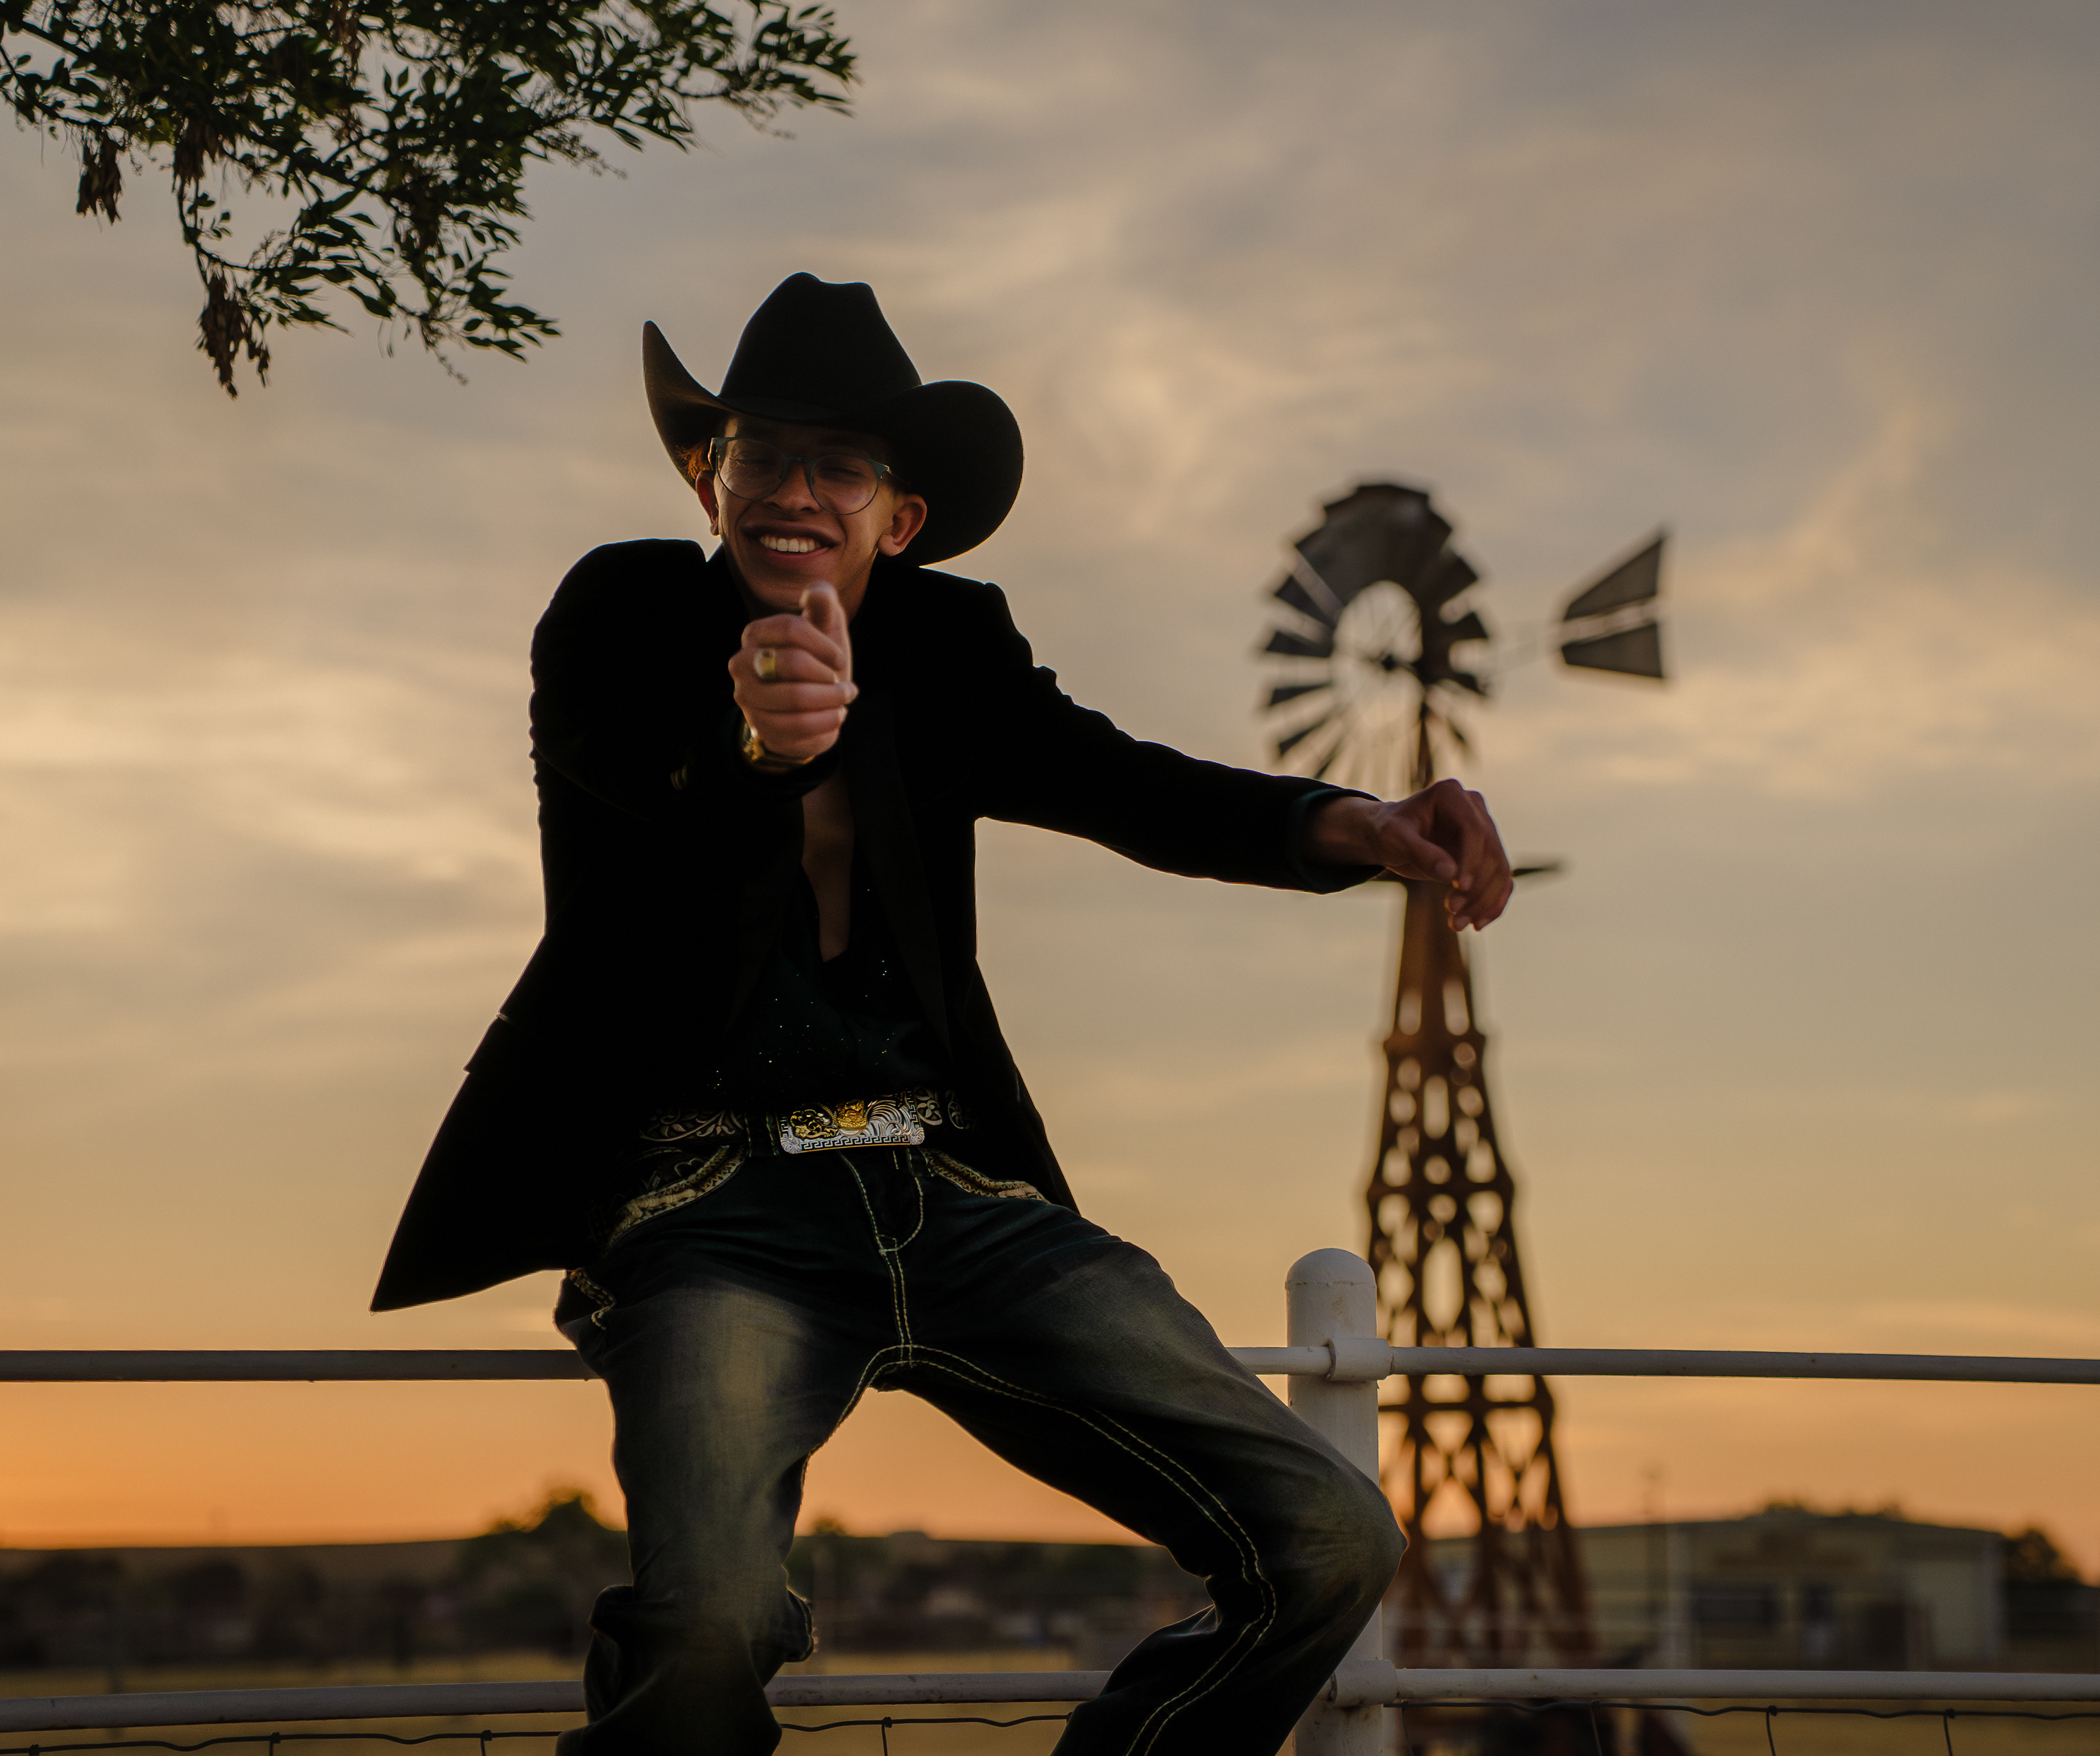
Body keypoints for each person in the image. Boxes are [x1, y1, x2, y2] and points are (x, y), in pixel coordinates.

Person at [371, 273, 1514, 1756]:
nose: (793, 491)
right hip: (709, 1207)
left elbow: (1119, 780)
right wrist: (756, 736)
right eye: (761, 452)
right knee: (709, 1626)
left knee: (1334, 1534)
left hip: (951, 1191)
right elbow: (641, 779)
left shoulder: (950, 644)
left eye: (838, 465)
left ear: (899, 515)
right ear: (708, 478)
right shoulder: (622, 615)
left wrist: (1356, 822)